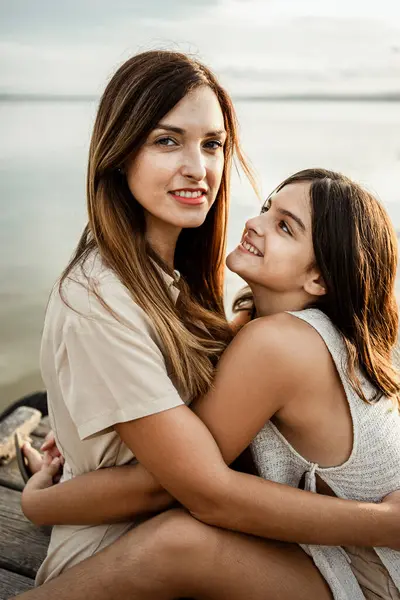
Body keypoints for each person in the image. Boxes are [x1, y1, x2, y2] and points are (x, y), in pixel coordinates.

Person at [15, 46, 400, 598]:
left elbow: (191, 478)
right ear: (121, 153)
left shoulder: (245, 323)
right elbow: (187, 480)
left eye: (213, 145)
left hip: (349, 562)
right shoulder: (104, 297)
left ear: (321, 278)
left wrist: (45, 494)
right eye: (167, 140)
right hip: (124, 541)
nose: (200, 169)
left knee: (181, 538)